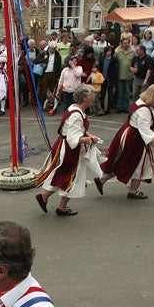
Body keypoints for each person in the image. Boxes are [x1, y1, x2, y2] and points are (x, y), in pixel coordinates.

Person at [34, 84, 99, 216]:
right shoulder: (76, 114)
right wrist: (91, 139)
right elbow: (73, 138)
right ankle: (61, 207)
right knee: (73, 178)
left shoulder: (74, 108)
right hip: (69, 150)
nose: (94, 96)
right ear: (85, 97)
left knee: (64, 175)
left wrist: (87, 134)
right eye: (92, 94)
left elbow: (74, 130)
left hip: (65, 147)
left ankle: (45, 196)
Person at [95, 84, 154, 199]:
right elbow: (145, 131)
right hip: (135, 139)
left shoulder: (141, 102)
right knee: (137, 164)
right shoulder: (144, 110)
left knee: (125, 162)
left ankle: (103, 180)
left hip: (130, 135)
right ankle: (133, 191)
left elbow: (148, 126)